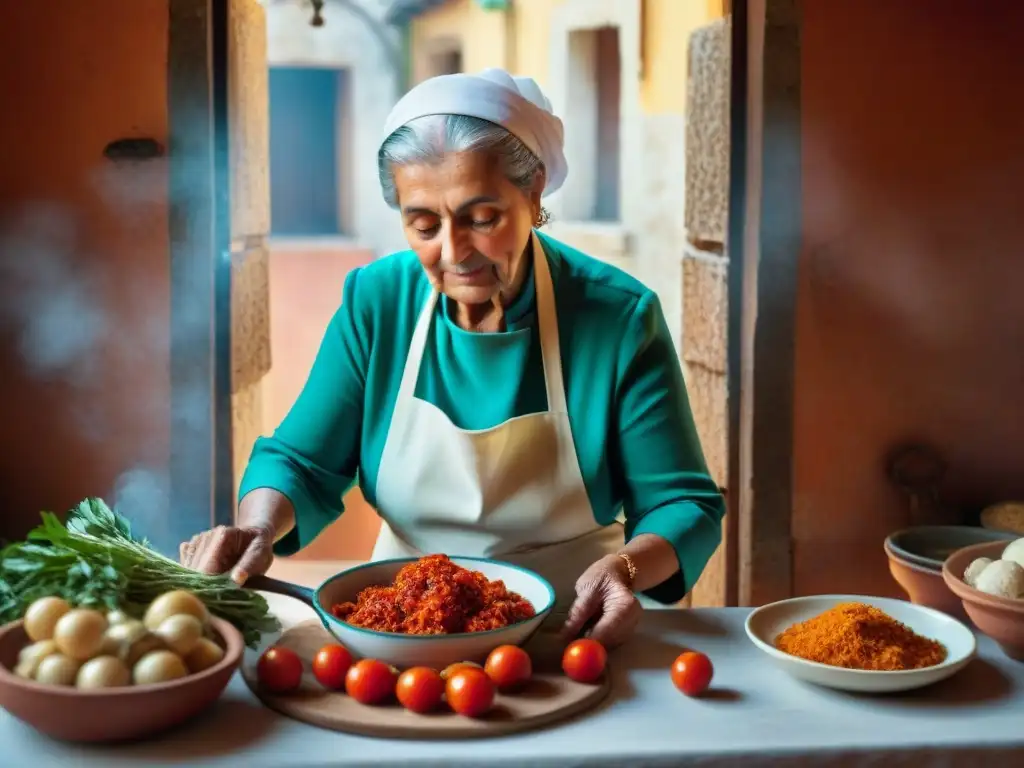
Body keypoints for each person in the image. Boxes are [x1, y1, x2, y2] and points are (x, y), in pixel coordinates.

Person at [180, 68, 725, 647]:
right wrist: (258, 525)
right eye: (422, 225)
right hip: (403, 628)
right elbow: (301, 461)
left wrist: (626, 570)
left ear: (534, 192)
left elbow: (682, 503)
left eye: (481, 219)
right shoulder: (377, 301)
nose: (453, 252)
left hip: (571, 628)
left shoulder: (617, 317)